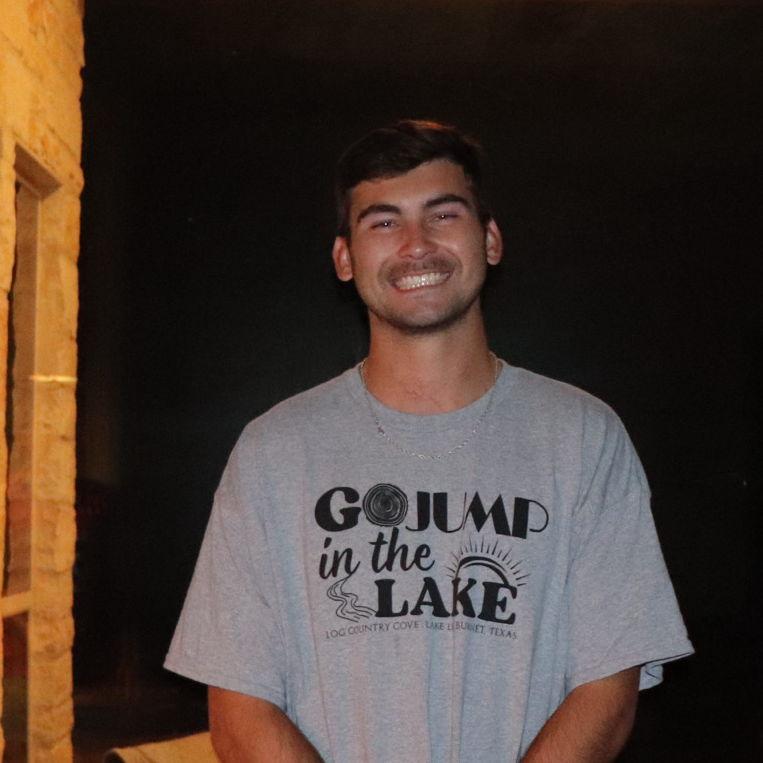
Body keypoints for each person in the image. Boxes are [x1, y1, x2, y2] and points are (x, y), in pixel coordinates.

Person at [165, 120, 693, 762]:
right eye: (383, 222)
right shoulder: (274, 451)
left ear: (489, 240)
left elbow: (609, 686)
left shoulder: (583, 437)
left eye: (443, 215)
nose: (416, 245)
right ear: (344, 258)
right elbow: (239, 705)